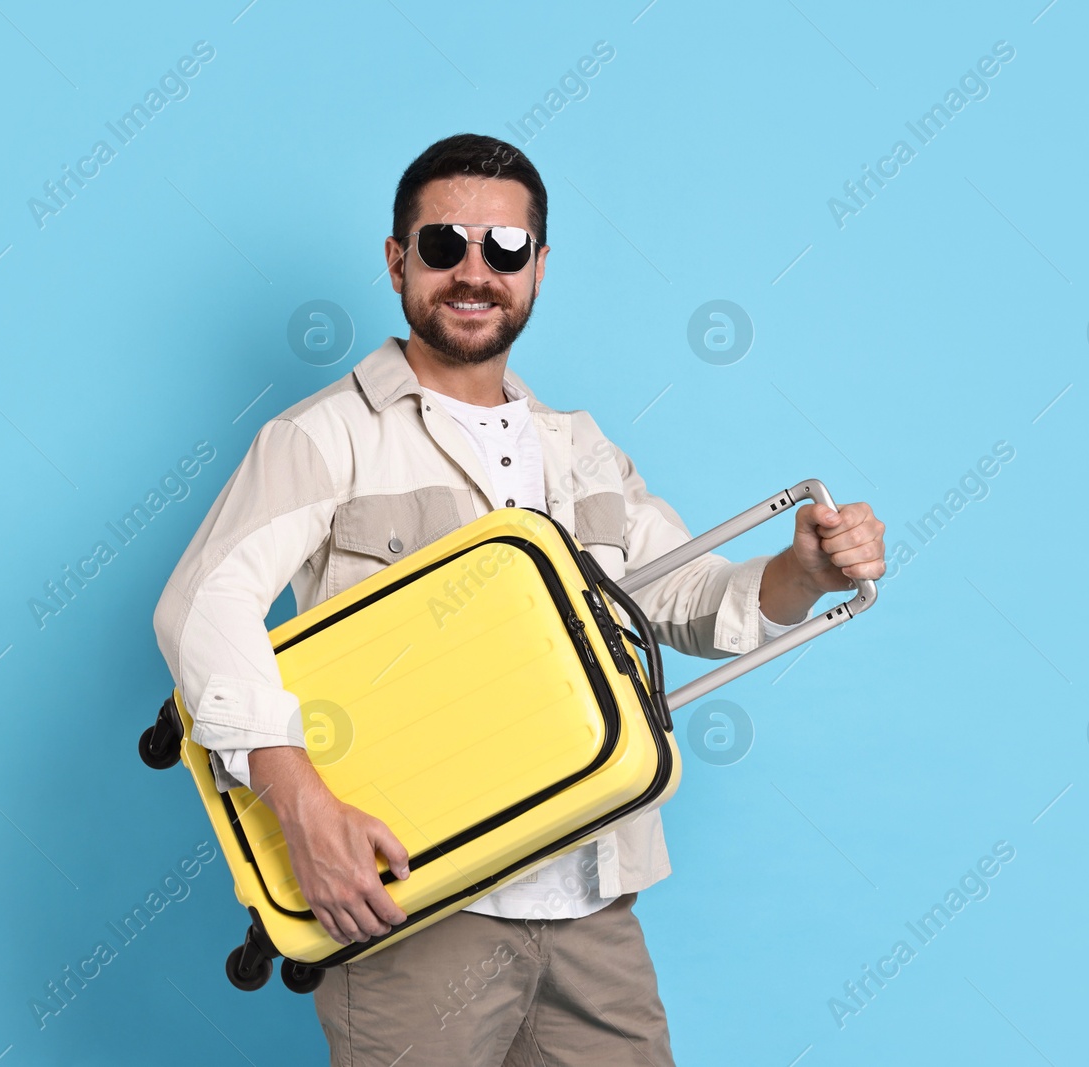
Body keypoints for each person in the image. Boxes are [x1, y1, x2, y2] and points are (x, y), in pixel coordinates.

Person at [153, 132, 886, 1065]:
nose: (474, 271)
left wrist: (805, 576)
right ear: (395, 260)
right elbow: (199, 609)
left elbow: (683, 600)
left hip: (595, 900)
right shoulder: (321, 438)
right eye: (442, 244)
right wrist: (301, 805)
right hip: (419, 904)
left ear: (538, 266)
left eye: (504, 249)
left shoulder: (580, 447)